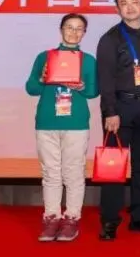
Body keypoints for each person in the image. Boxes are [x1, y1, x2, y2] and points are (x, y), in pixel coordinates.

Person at [96, 0, 140, 240]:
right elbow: (105, 79)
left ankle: (139, 217)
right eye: (124, 3)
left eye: (135, 2)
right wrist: (110, 112)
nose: (130, 7)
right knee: (113, 166)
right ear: (118, 9)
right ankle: (110, 220)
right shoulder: (110, 39)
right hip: (120, 109)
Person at [25, 13, 99, 242]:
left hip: (76, 122)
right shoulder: (45, 57)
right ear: (61, 29)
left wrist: (82, 86)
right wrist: (42, 78)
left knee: (74, 171)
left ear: (84, 33)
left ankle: (71, 218)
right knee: (50, 172)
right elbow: (31, 88)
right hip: (47, 121)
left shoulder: (88, 60)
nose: (73, 32)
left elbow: (93, 92)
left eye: (79, 29)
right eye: (69, 27)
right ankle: (51, 218)